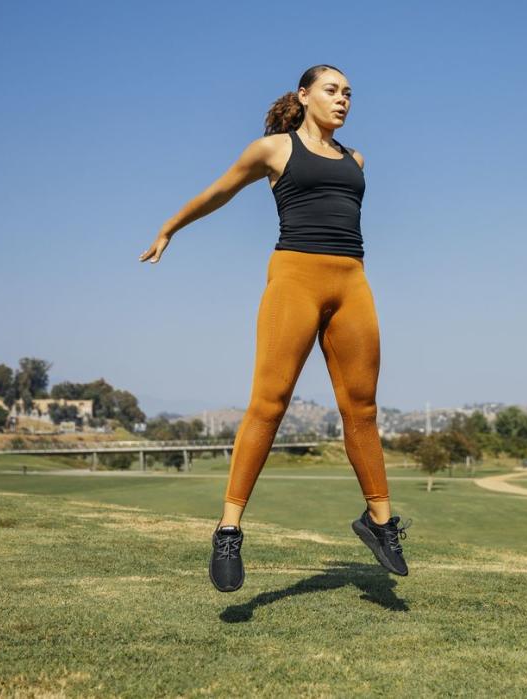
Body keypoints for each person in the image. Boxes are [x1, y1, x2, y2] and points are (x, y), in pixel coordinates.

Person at [138, 64, 409, 593]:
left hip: (352, 282)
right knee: (270, 401)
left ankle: (379, 523)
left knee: (363, 407)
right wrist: (170, 228)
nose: (342, 100)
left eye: (349, 93)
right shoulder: (274, 150)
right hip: (294, 278)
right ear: (305, 96)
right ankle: (229, 528)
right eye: (332, 90)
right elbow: (219, 192)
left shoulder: (356, 159)